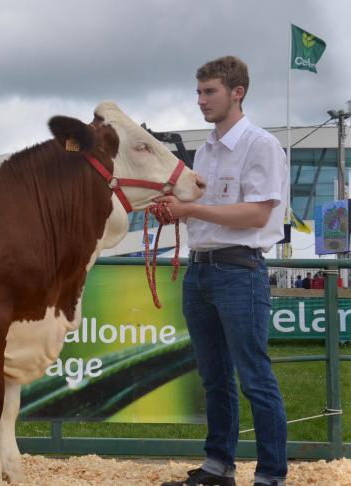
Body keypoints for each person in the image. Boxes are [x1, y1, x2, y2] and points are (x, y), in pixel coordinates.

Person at [156, 56, 288, 486]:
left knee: (254, 377)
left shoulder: (261, 144)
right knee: (214, 377)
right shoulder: (207, 148)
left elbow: (256, 214)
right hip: (201, 270)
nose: (200, 100)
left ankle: (270, 475)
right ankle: (218, 466)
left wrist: (190, 208)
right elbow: (210, 213)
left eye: (209, 91)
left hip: (240, 269)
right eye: (198, 92)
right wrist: (174, 212)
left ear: (237, 92)